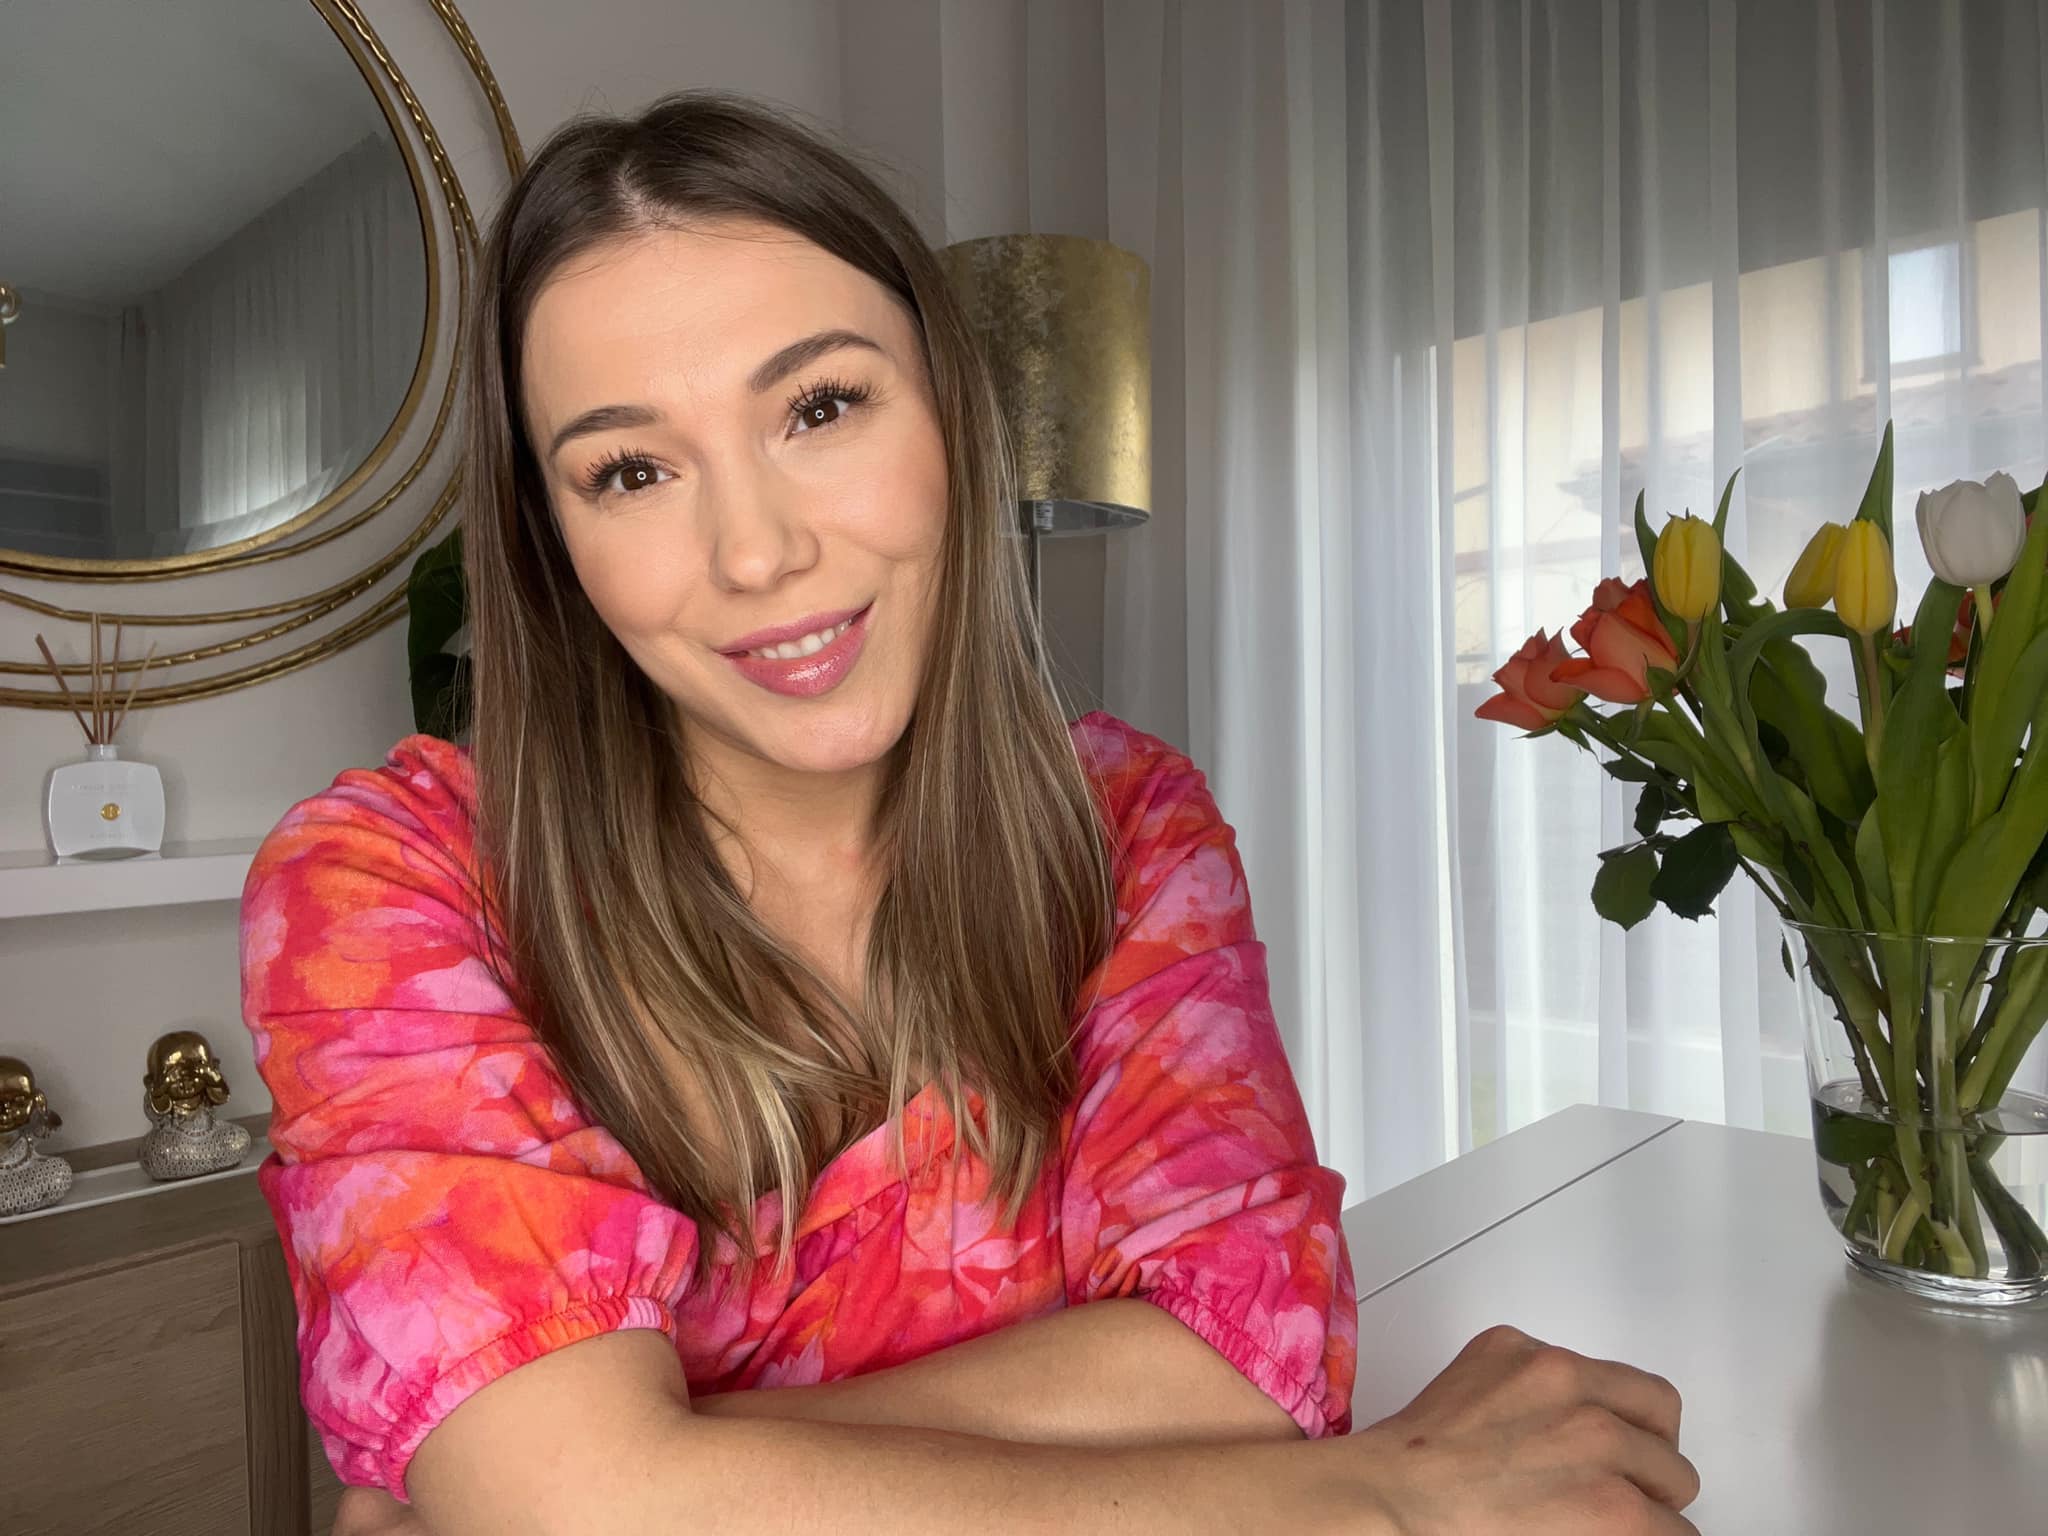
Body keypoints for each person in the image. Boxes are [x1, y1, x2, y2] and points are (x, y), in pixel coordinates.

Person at [239, 90, 1701, 1536]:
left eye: (820, 406)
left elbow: (1249, 1362)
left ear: (953, 414)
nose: (757, 552)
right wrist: (1372, 1496)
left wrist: (608, 1470)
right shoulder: (390, 885)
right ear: (552, 541)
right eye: (631, 470)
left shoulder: (1128, 828)